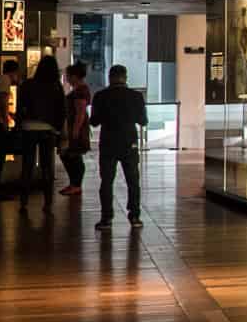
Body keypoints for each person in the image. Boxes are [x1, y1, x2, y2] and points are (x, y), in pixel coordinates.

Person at [91, 63, 148, 229]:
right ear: (125, 77)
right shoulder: (136, 96)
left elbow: (94, 122)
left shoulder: (101, 96)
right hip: (129, 142)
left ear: (110, 78)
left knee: (107, 181)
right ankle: (135, 216)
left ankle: (106, 218)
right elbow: (143, 121)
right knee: (132, 180)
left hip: (108, 143)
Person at [14, 56, 64, 208]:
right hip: (48, 129)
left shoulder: (28, 84)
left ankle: (23, 202)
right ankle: (48, 202)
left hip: (28, 128)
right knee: (46, 167)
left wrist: (18, 125)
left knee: (27, 166)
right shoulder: (56, 86)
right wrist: (59, 129)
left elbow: (19, 106)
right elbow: (62, 110)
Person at [59, 61, 92, 197]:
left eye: (68, 76)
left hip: (76, 127)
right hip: (74, 126)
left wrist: (75, 130)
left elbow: (80, 112)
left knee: (73, 155)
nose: (66, 78)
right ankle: (74, 184)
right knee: (70, 155)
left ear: (75, 76)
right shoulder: (78, 90)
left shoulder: (80, 91)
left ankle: (76, 184)